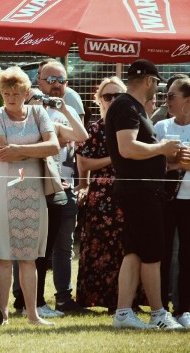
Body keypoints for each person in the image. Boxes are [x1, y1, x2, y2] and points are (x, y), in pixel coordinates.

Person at [106, 59, 184, 330]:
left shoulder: (131, 107)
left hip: (139, 189)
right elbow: (127, 148)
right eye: (158, 83)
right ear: (149, 80)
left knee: (135, 252)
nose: (159, 90)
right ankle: (158, 314)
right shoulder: (127, 106)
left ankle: (123, 312)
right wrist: (162, 147)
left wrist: (170, 162)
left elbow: (138, 154)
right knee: (152, 254)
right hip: (139, 192)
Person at [0, 66, 59, 326]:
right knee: (4, 256)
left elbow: (55, 145)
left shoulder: (39, 113)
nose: (10, 98)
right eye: (6, 93)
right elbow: (1, 152)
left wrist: (19, 149)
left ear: (27, 93)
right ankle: (2, 314)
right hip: (2, 192)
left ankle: (32, 315)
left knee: (29, 257)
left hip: (32, 191)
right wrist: (35, 150)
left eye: (15, 93)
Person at [17, 61, 89, 317]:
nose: (57, 85)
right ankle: (26, 300)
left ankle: (47, 300)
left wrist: (65, 108)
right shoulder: (27, 108)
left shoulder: (60, 112)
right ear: (38, 81)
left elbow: (81, 137)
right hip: (31, 184)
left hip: (59, 185)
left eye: (62, 80)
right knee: (29, 246)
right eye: (51, 80)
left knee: (55, 247)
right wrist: (36, 102)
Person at [75, 76, 128, 312]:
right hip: (101, 196)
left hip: (128, 194)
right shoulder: (95, 130)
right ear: (100, 100)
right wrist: (114, 158)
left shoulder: (131, 126)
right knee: (98, 247)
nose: (113, 100)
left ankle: (124, 300)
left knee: (125, 248)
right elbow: (84, 163)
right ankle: (98, 298)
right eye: (108, 96)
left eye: (118, 96)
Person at [153, 76, 190, 327]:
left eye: (171, 96)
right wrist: (175, 162)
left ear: (187, 101)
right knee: (163, 253)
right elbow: (153, 163)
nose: (166, 100)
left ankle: (184, 309)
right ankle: (162, 309)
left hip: (189, 200)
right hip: (165, 199)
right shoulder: (161, 126)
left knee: (188, 255)